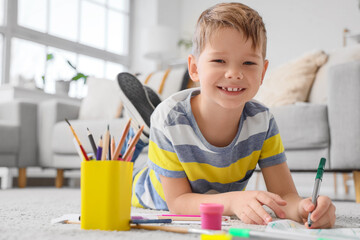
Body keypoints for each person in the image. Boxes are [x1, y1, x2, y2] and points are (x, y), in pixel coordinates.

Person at [117, 2, 336, 229]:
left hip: (203, 187)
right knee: (115, 181)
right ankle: (141, 134)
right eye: (219, 60)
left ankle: (145, 132)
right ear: (194, 68)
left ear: (263, 72)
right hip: (149, 190)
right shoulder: (171, 119)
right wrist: (232, 201)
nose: (234, 73)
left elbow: (285, 196)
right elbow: (179, 203)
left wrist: (304, 208)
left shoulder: (262, 122)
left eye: (249, 62)